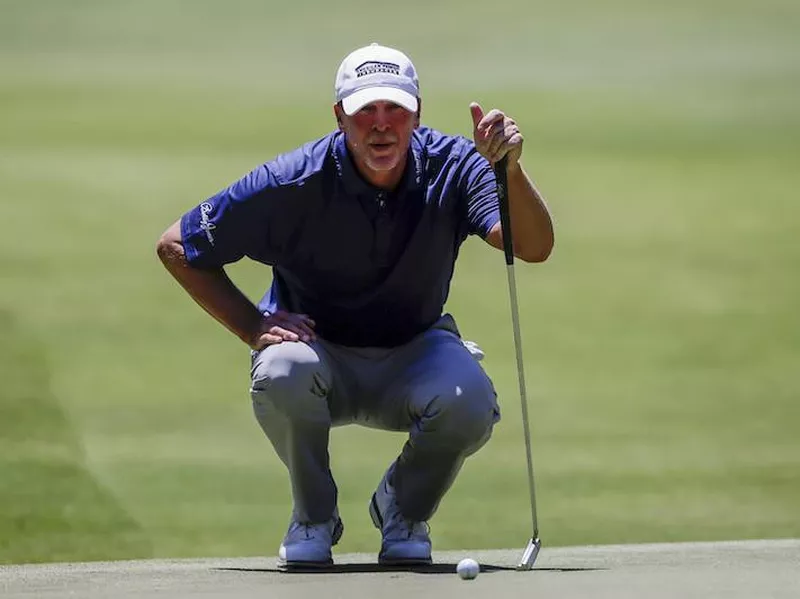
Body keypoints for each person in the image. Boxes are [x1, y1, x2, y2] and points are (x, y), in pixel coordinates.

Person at [156, 42, 554, 570]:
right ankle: (314, 516)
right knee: (281, 370)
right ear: (339, 115)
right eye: (365, 110)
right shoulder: (292, 180)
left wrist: (510, 171)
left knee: (470, 400)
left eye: (396, 110)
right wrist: (253, 325)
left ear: (418, 114)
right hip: (319, 355)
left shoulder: (456, 164)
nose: (381, 125)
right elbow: (177, 246)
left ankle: (402, 508)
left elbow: (531, 246)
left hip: (415, 350)